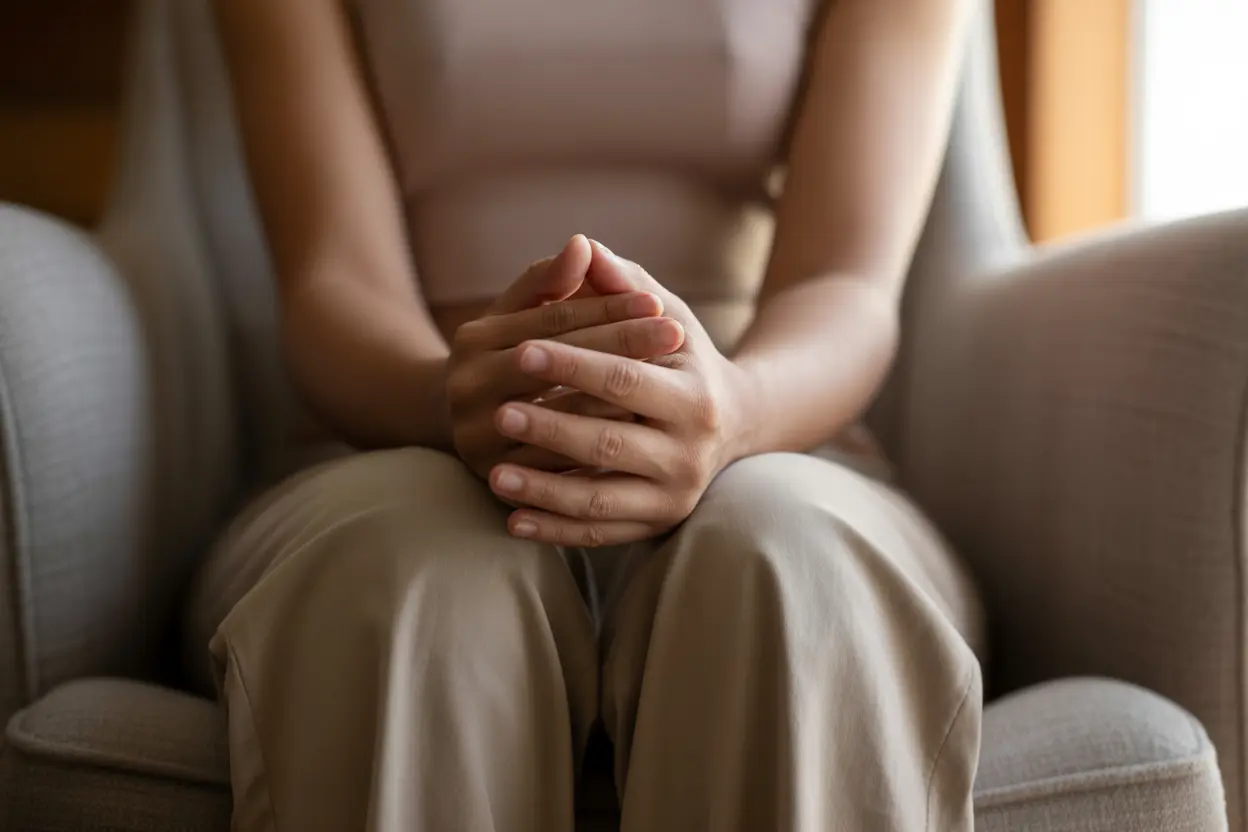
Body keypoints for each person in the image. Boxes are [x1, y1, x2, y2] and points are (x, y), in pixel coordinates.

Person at [187, 0, 984, 829]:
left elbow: (847, 285)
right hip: (386, 440)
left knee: (790, 566)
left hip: (776, 439)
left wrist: (734, 411)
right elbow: (331, 280)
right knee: (413, 572)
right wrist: (443, 396)